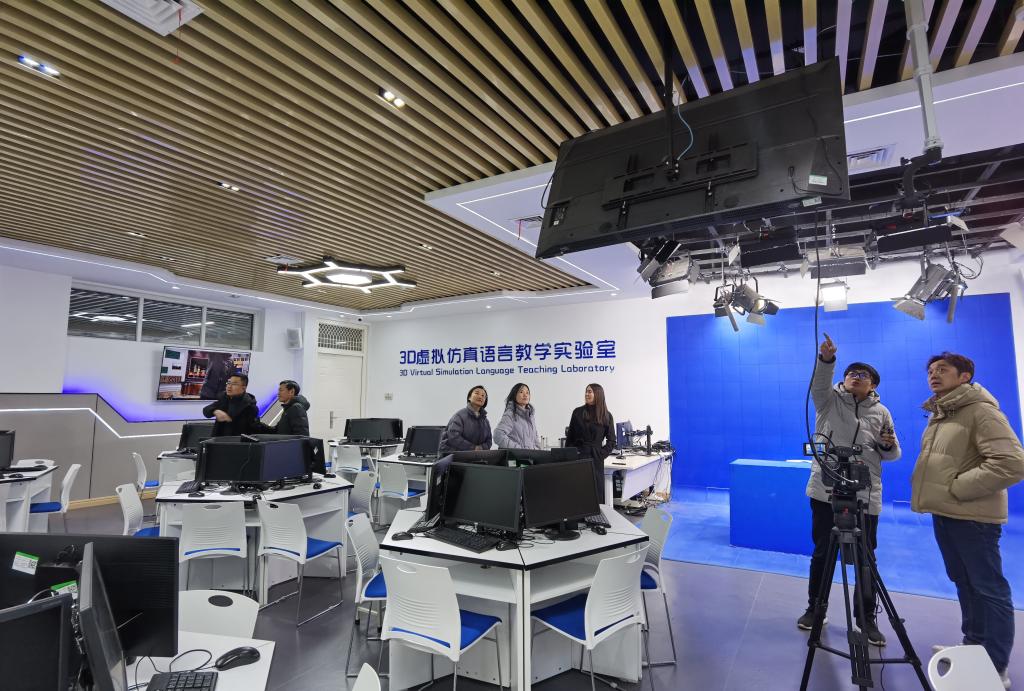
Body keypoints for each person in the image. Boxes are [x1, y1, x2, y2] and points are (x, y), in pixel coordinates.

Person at [912, 352, 1024, 688]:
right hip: (947, 513)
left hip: (973, 517)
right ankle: (973, 646)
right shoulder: (943, 412)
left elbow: (1011, 463)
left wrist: (958, 488)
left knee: (989, 589)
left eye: (942, 370)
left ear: (965, 376)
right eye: (931, 371)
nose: (934, 375)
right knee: (964, 582)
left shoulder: (981, 411)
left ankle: (995, 666)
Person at [800, 334, 900, 646]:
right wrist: (827, 359)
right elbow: (819, 382)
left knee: (866, 558)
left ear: (873, 385)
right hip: (826, 489)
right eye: (851, 373)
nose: (856, 377)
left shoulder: (882, 412)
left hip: (865, 494)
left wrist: (887, 445)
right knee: (822, 552)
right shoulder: (828, 400)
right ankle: (816, 609)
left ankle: (866, 618)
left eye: (863, 375)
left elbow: (892, 453)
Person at [566, 383, 615, 504]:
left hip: (596, 458)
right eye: (586, 391)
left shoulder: (606, 415)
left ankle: (597, 516)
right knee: (578, 493)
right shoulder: (577, 412)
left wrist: (601, 454)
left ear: (598, 394)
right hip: (578, 457)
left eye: (590, 392)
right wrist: (570, 455)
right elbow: (570, 437)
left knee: (596, 494)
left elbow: (611, 441)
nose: (586, 394)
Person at [439, 385, 492, 453]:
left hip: (474, 456)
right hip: (453, 455)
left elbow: (489, 441)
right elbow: (453, 437)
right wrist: (473, 448)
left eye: (483, 396)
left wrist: (481, 448)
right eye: (477, 393)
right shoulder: (459, 415)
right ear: (469, 397)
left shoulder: (485, 421)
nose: (480, 397)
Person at [494, 383, 541, 450]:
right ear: (514, 395)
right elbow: (498, 435)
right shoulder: (510, 414)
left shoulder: (530, 416)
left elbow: (535, 439)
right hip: (517, 456)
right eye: (521, 392)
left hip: (530, 455)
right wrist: (518, 449)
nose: (525, 395)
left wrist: (539, 452)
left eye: (527, 393)